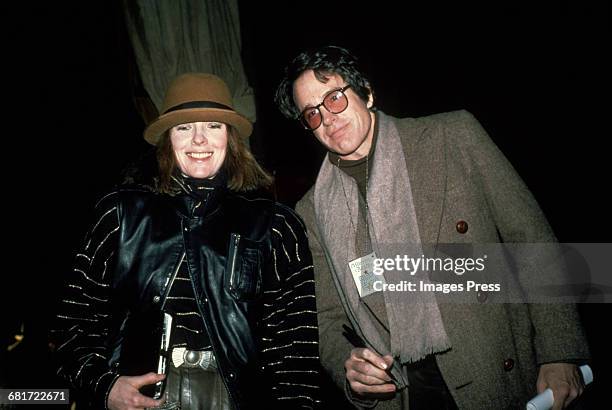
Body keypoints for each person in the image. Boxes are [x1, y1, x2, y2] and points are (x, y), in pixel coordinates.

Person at [274, 45, 590, 409]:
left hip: (494, 366)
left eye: (334, 98)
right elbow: (326, 317)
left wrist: (559, 352)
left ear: (367, 93)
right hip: (404, 392)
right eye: (311, 113)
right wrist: (349, 365)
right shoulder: (312, 209)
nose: (326, 118)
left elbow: (530, 238)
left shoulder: (451, 135)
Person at [52, 73, 321, 410]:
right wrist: (105, 386)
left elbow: (295, 351)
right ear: (168, 139)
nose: (198, 140)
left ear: (231, 137)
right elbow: (71, 326)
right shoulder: (119, 216)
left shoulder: (276, 226)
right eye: (183, 127)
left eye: (212, 126)